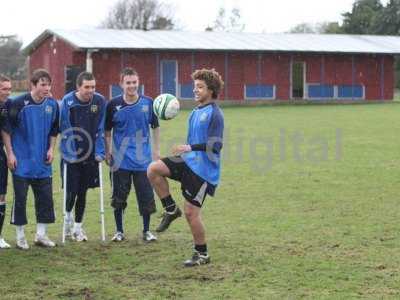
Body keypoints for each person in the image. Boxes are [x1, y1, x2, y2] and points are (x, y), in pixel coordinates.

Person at [147, 68, 224, 267]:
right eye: (195, 86)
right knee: (154, 169)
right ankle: (171, 209)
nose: (196, 90)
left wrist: (189, 147)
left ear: (211, 90)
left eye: (200, 87)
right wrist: (186, 151)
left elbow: (215, 145)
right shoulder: (196, 111)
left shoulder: (215, 114)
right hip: (189, 161)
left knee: (191, 213)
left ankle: (202, 254)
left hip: (203, 172)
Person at [1, 69, 59, 249]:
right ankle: (20, 237)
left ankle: (41, 235)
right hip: (22, 162)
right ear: (33, 85)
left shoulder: (53, 104)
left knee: (45, 199)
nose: (46, 88)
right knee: (20, 199)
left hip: (43, 162)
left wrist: (51, 149)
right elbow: (6, 130)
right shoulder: (18, 103)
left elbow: (54, 130)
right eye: (42, 84)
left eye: (48, 84)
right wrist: (10, 153)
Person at [105, 67, 159, 242]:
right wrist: (108, 151)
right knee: (119, 198)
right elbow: (106, 131)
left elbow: (155, 126)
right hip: (120, 161)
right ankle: (119, 231)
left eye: (134, 82)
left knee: (146, 197)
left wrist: (156, 151)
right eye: (128, 83)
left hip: (143, 161)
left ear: (138, 82)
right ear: (121, 84)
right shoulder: (113, 105)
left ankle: (146, 231)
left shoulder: (148, 103)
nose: (132, 86)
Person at [59, 71, 106, 242]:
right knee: (71, 192)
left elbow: (101, 128)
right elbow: (65, 128)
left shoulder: (100, 101)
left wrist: (100, 152)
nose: (90, 90)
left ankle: (78, 227)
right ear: (79, 87)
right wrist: (71, 153)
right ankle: (67, 220)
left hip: (90, 155)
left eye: (93, 86)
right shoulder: (68, 101)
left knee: (83, 192)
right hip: (71, 155)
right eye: (87, 87)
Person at [0, 75, 12, 249]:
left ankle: (0, 236)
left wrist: (10, 153)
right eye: (4, 89)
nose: (8, 92)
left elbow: (5, 131)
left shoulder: (6, 107)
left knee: (1, 195)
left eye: (10, 89)